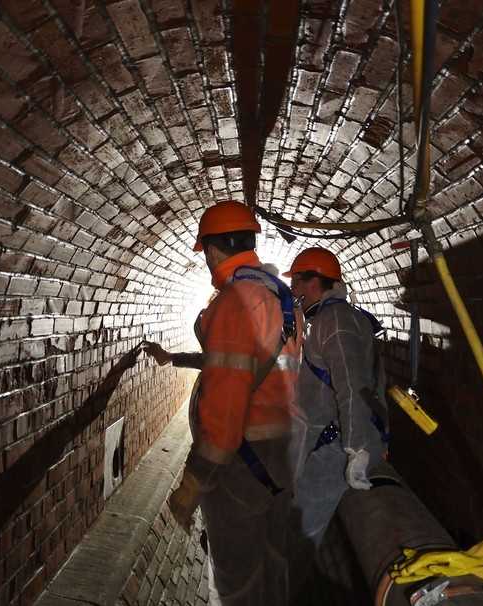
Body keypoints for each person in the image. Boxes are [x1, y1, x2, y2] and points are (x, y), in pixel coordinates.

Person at [146, 200, 302, 606]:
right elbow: (251, 367)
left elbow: (225, 408)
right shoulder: (281, 296)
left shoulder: (235, 301)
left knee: (238, 581)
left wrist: (193, 482)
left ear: (213, 249)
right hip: (283, 456)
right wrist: (175, 358)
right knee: (274, 563)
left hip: (243, 465)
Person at [284, 247, 389, 592]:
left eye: (298, 282)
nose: (295, 291)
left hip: (333, 450)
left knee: (300, 534)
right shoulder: (333, 317)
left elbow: (352, 386)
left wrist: (357, 449)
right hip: (324, 442)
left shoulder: (336, 321)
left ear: (315, 281)